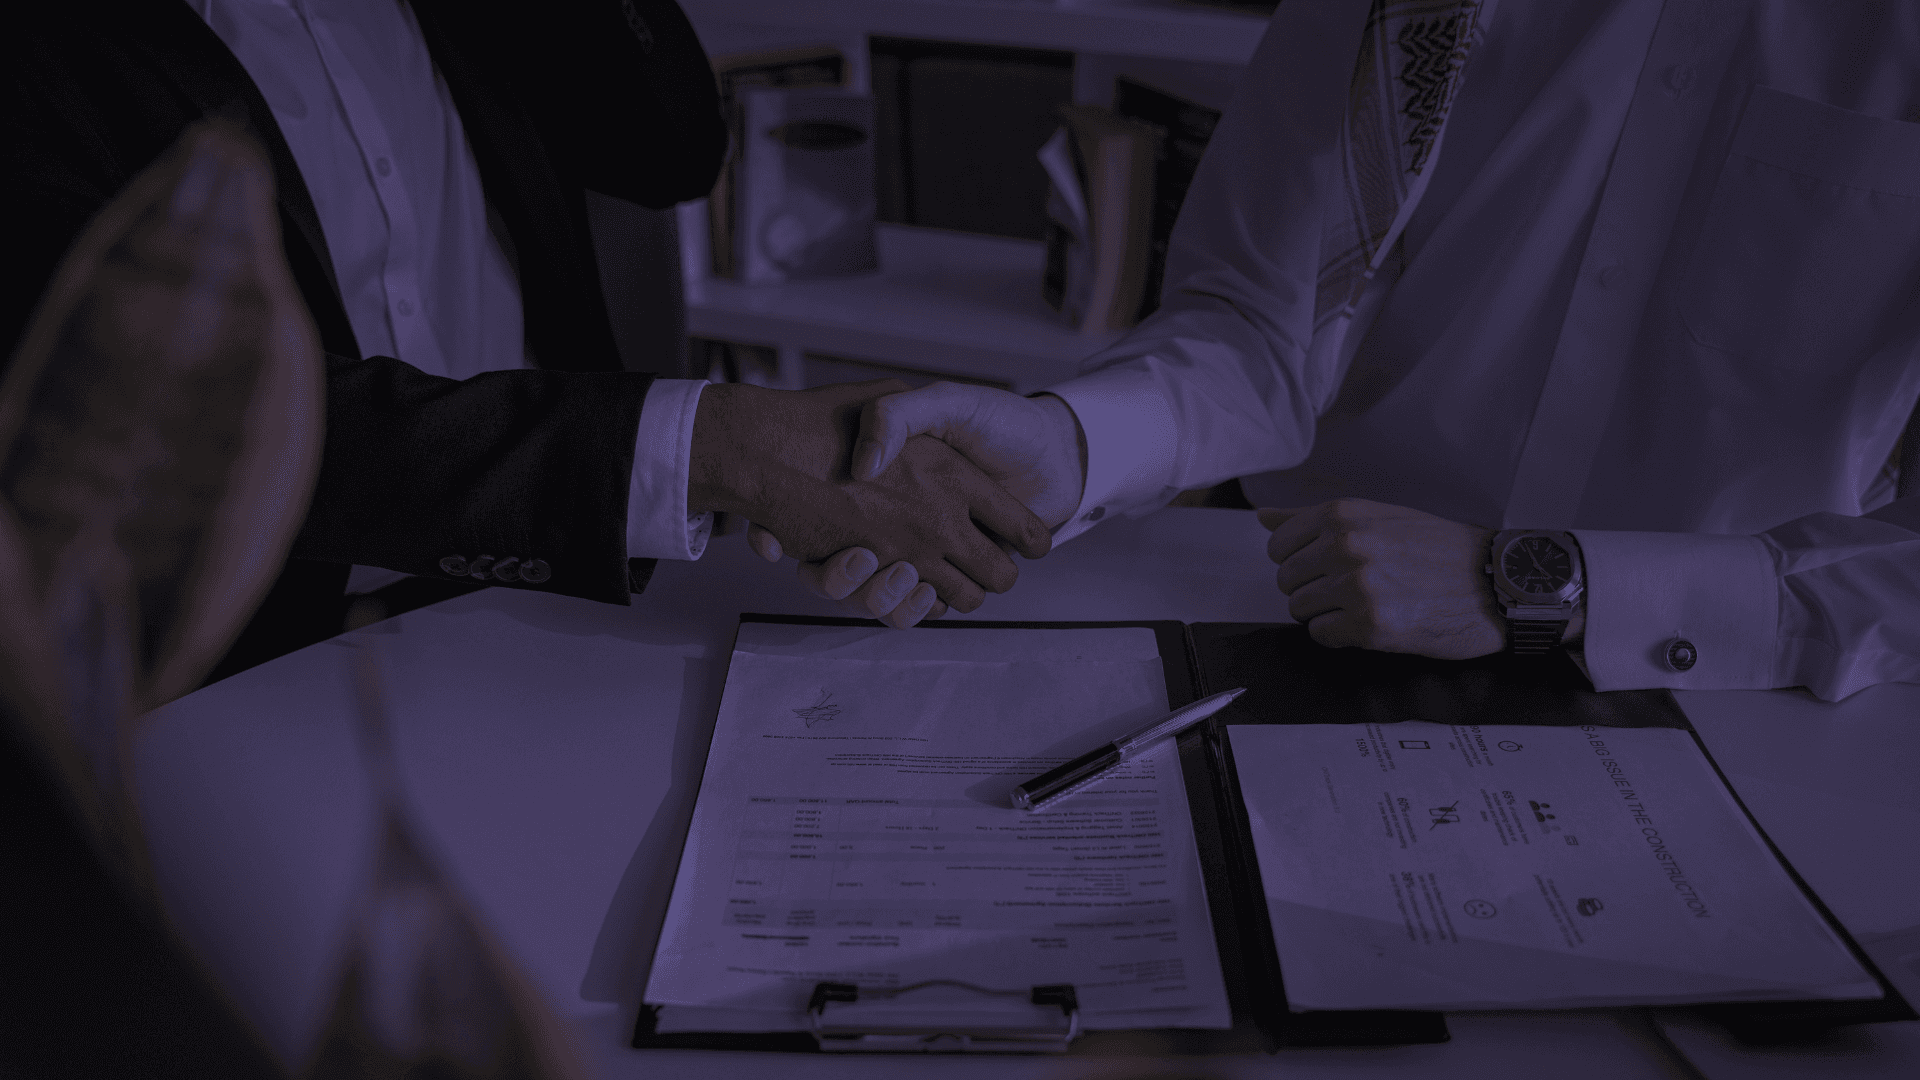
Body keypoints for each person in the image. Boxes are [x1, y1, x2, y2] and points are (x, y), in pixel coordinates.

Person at [832, 0, 1920, 702]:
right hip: (1311, 624)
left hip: (1754, 695)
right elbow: (1263, 322)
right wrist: (1077, 441)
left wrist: (1546, 588)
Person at [7, 0, 1037, 685]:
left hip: (559, 597)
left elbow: (672, 146)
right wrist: (716, 448)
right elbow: (197, 426)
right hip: (256, 667)